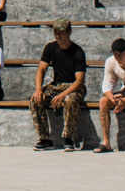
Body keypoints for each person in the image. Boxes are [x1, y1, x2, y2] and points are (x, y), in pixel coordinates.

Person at [30, 19, 88, 151]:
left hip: (73, 86)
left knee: (71, 99)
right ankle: (44, 139)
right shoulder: (50, 48)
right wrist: (38, 90)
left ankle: (68, 138)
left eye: (61, 33)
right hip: (56, 85)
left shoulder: (78, 52)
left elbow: (79, 81)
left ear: (69, 32)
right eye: (56, 32)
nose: (58, 36)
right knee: (35, 99)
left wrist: (62, 95)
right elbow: (41, 69)